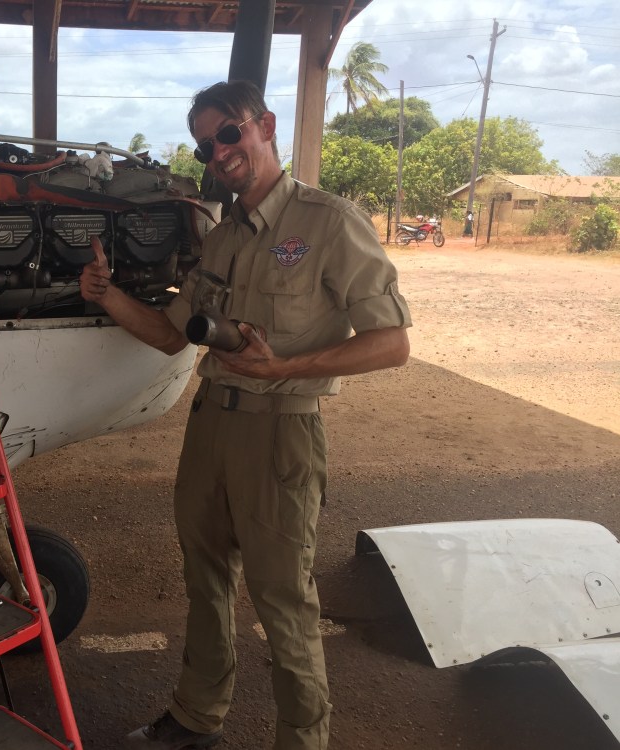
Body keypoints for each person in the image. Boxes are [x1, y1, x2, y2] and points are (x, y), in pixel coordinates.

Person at [80, 79, 411, 750]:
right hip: (212, 426)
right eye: (206, 145)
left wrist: (282, 367)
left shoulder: (329, 221)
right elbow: (171, 334)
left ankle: (304, 740)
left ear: (265, 125)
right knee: (204, 582)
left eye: (228, 133)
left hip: (280, 430)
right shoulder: (222, 236)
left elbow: (392, 344)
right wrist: (106, 294)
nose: (220, 152)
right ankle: (198, 716)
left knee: (283, 599)